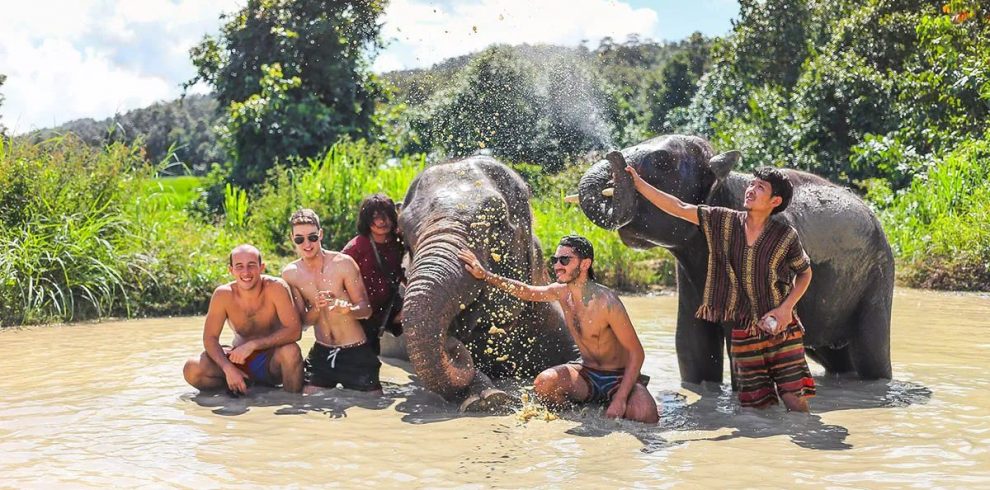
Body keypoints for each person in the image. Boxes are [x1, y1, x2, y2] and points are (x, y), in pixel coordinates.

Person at [626, 164, 815, 412]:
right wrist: (638, 184)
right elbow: (679, 208)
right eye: (751, 184)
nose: (751, 190)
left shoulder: (785, 235)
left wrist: (786, 309)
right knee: (756, 410)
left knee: (795, 402)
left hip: (781, 328)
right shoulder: (723, 221)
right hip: (743, 331)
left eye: (760, 187)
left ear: (775, 200)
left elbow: (804, 272)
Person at [458, 235, 659, 424]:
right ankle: (580, 413)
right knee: (544, 384)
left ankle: (616, 400)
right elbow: (527, 292)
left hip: (618, 377)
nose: (557, 266)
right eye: (555, 260)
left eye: (564, 260)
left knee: (645, 415)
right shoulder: (561, 292)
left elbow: (636, 353)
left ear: (585, 264)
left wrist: (621, 399)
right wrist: (485, 275)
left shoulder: (608, 302)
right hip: (587, 373)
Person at [280, 209, 382, 394]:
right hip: (322, 352)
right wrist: (317, 309)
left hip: (356, 351)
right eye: (299, 239)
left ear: (321, 234)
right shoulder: (290, 274)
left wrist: (347, 309)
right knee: (307, 402)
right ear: (292, 239)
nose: (307, 244)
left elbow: (366, 309)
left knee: (373, 405)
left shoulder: (343, 263)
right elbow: (302, 322)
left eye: (312, 237)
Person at [183, 244, 304, 395]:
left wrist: (253, 345)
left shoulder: (276, 288)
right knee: (192, 368)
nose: (246, 272)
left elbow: (294, 331)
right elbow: (210, 338)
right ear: (231, 270)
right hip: (238, 360)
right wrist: (229, 369)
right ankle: (238, 388)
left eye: (251, 265)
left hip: (271, 362)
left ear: (261, 267)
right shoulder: (223, 295)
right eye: (239, 266)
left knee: (291, 351)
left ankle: (293, 404)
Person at [342, 193, 405, 355]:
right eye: (376, 217)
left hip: (387, 308)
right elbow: (338, 275)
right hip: (361, 313)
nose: (382, 222)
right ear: (367, 220)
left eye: (386, 216)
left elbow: (405, 272)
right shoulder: (356, 247)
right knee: (363, 359)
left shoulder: (399, 243)